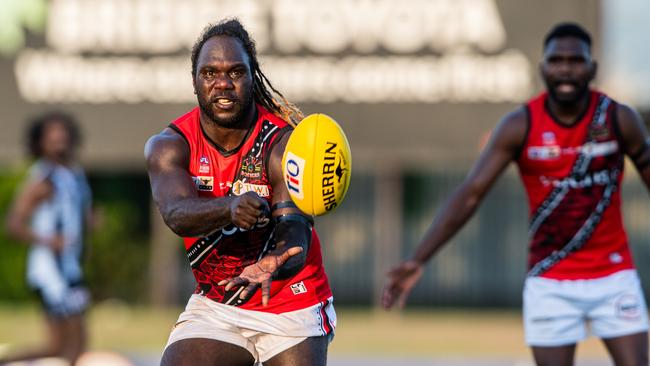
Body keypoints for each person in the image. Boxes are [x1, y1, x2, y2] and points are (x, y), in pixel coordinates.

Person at [382, 22, 650, 366]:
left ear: (592, 68)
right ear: (542, 68)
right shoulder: (521, 124)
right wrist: (418, 259)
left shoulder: (618, 118)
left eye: (575, 60)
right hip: (550, 280)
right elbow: (470, 194)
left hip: (613, 276)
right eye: (556, 60)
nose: (565, 68)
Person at [145, 19, 335, 366]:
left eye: (235, 72)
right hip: (219, 304)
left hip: (290, 300)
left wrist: (276, 262)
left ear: (252, 76)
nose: (222, 84)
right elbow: (176, 214)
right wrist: (230, 208)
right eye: (209, 73)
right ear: (194, 81)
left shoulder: (282, 144)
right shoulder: (170, 146)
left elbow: (295, 230)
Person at [2, 112, 92, 365]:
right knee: (63, 344)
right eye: (51, 136)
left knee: (74, 344)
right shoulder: (43, 178)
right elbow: (13, 224)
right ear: (40, 142)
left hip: (70, 269)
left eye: (62, 133)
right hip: (51, 272)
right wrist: (48, 240)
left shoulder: (73, 175)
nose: (59, 140)